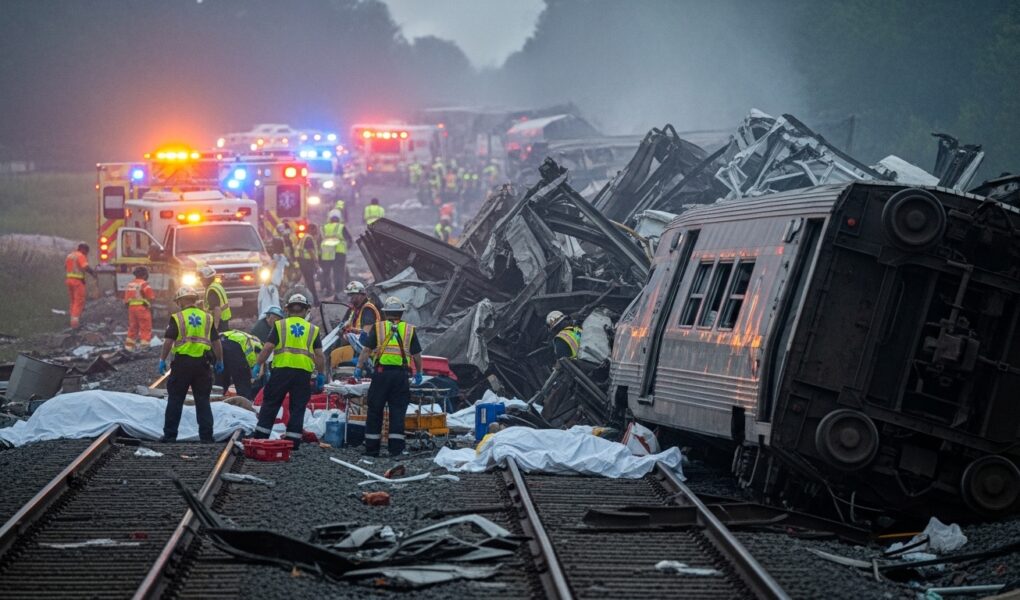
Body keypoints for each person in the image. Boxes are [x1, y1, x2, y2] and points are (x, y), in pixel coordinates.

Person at [251, 294, 325, 449]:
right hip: (303, 374)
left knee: (271, 403)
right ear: (306, 310)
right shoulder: (313, 329)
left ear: (288, 309)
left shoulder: (280, 325)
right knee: (298, 408)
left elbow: (268, 347)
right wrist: (321, 373)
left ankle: (260, 439)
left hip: (281, 372)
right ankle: (293, 442)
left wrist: (258, 364)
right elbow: (319, 355)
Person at [354, 296, 422, 457]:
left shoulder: (379, 328)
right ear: (402, 313)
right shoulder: (409, 330)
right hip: (400, 376)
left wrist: (358, 368)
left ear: (385, 313)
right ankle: (396, 450)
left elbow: (366, 350)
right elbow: (417, 355)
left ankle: (372, 449)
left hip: (381, 374)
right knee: (397, 412)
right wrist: (419, 372)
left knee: (375, 411)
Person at [158, 287, 224, 443]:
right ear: (195, 300)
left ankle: (170, 436)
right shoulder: (207, 317)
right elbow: (216, 342)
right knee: (203, 400)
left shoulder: (178, 318)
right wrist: (220, 360)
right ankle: (207, 437)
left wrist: (162, 359)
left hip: (182, 364)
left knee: (175, 400)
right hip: (203, 364)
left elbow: (168, 341)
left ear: (181, 301)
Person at [218, 329, 262, 400]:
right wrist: (255, 377)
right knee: (243, 383)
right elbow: (261, 367)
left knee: (222, 377)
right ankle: (245, 401)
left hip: (220, 341)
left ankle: (219, 397)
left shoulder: (251, 340)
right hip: (235, 347)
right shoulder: (261, 348)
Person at [320, 209, 353, 299]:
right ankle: (338, 292)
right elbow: (349, 239)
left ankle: (328, 290)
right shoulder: (341, 227)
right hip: (339, 253)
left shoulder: (325, 227)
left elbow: (320, 240)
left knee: (326, 273)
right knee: (338, 273)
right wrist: (347, 247)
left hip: (326, 253)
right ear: (339, 218)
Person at [341, 281, 379, 355]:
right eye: (349, 295)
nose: (350, 297)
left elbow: (366, 334)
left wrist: (350, 332)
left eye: (352, 294)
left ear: (361, 294)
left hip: (368, 351)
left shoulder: (368, 309)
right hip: (356, 346)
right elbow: (343, 325)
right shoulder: (354, 309)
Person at [65, 242, 96, 329]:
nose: (86, 254)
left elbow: (66, 267)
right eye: (86, 252)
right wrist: (93, 273)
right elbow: (85, 267)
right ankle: (75, 324)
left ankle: (72, 320)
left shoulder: (70, 256)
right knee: (79, 301)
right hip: (77, 282)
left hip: (69, 280)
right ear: (84, 250)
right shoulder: (80, 256)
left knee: (73, 301)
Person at [123, 266, 155, 351]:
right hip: (142, 308)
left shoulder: (130, 284)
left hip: (131, 309)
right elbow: (151, 297)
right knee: (145, 327)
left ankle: (129, 347)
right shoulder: (144, 284)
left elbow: (126, 300)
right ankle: (144, 347)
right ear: (144, 275)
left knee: (133, 327)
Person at [199, 265, 231, 331]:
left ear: (207, 279)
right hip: (223, 320)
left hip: (219, 322)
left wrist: (215, 326)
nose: (200, 279)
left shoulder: (212, 290)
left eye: (201, 278)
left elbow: (217, 309)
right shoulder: (216, 285)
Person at [297, 223, 320, 306]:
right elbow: (310, 251)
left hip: (303, 262)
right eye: (315, 229)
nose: (317, 231)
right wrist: (316, 261)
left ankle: (308, 300)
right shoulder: (309, 238)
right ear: (311, 229)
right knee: (311, 282)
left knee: (308, 282)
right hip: (307, 262)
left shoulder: (305, 237)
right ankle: (315, 301)